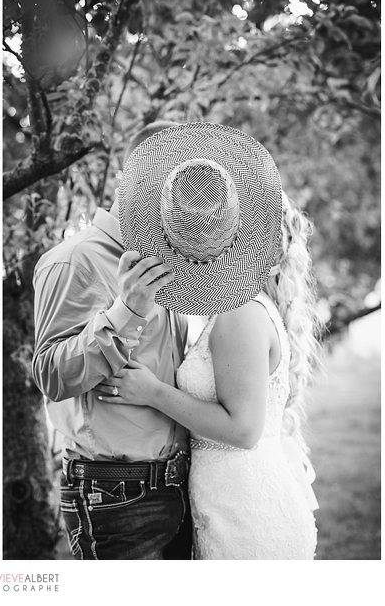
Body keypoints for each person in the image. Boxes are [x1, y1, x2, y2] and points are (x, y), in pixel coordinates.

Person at [96, 122, 321, 559]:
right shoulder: (235, 308)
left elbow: (243, 430)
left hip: (245, 511)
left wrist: (154, 392)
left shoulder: (238, 314)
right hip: (226, 500)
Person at [32, 121, 194, 560]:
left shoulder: (174, 264)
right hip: (116, 493)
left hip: (183, 485)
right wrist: (128, 312)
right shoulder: (72, 260)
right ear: (130, 179)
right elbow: (50, 374)